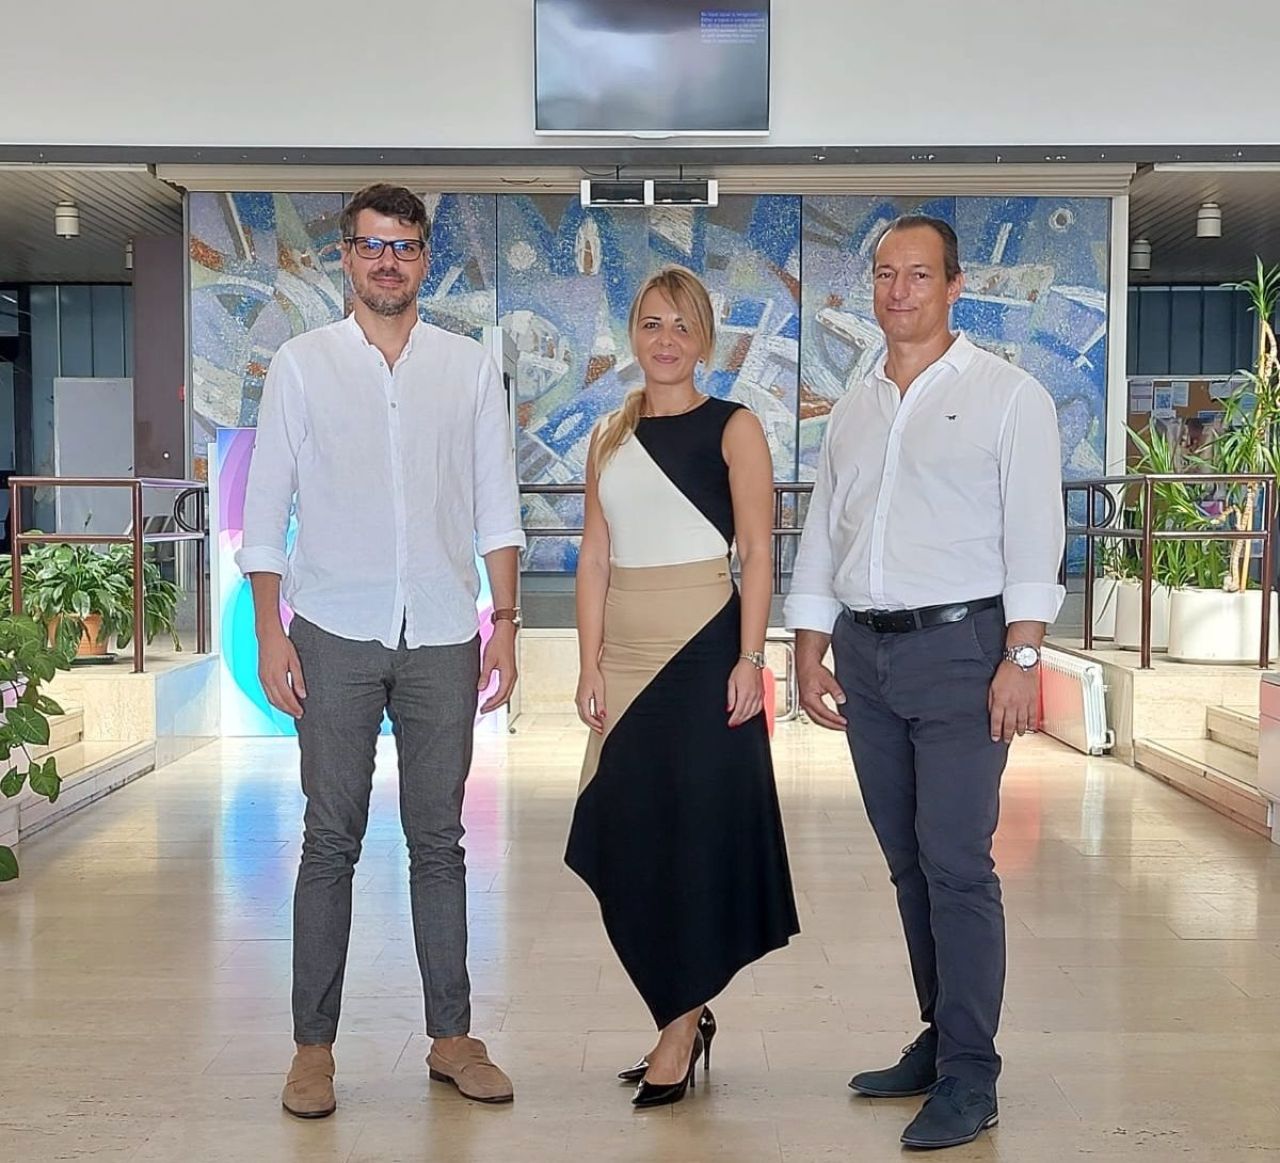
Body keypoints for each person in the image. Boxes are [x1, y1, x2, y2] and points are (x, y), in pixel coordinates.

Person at [237, 184, 525, 1118]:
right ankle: (312, 1050)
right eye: (371, 246)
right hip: (332, 630)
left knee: (440, 841)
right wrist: (270, 631)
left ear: (425, 258)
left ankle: (452, 1038)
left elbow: (496, 502)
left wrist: (505, 623)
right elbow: (267, 506)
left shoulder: (467, 368)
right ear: (347, 257)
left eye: (403, 247)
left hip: (442, 630)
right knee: (330, 840)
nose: (387, 262)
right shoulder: (302, 365)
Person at [784, 216, 1065, 1150]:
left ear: (954, 286)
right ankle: (941, 1034)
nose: (898, 290)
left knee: (956, 861)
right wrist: (809, 642)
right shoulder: (855, 404)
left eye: (917, 274)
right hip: (865, 654)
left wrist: (1022, 656)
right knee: (908, 860)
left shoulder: (1008, 397)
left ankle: (971, 1075)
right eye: (884, 274)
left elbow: (1035, 532)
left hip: (963, 652)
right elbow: (826, 526)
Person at [565, 266, 799, 1109]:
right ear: (633, 334)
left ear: (704, 340)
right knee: (626, 835)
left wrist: (750, 657)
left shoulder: (736, 428)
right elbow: (595, 556)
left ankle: (680, 1023)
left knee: (697, 840)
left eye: (682, 325)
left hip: (705, 654)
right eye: (651, 324)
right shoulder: (608, 433)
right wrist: (589, 661)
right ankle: (677, 1008)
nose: (665, 340)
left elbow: (759, 552)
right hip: (626, 658)